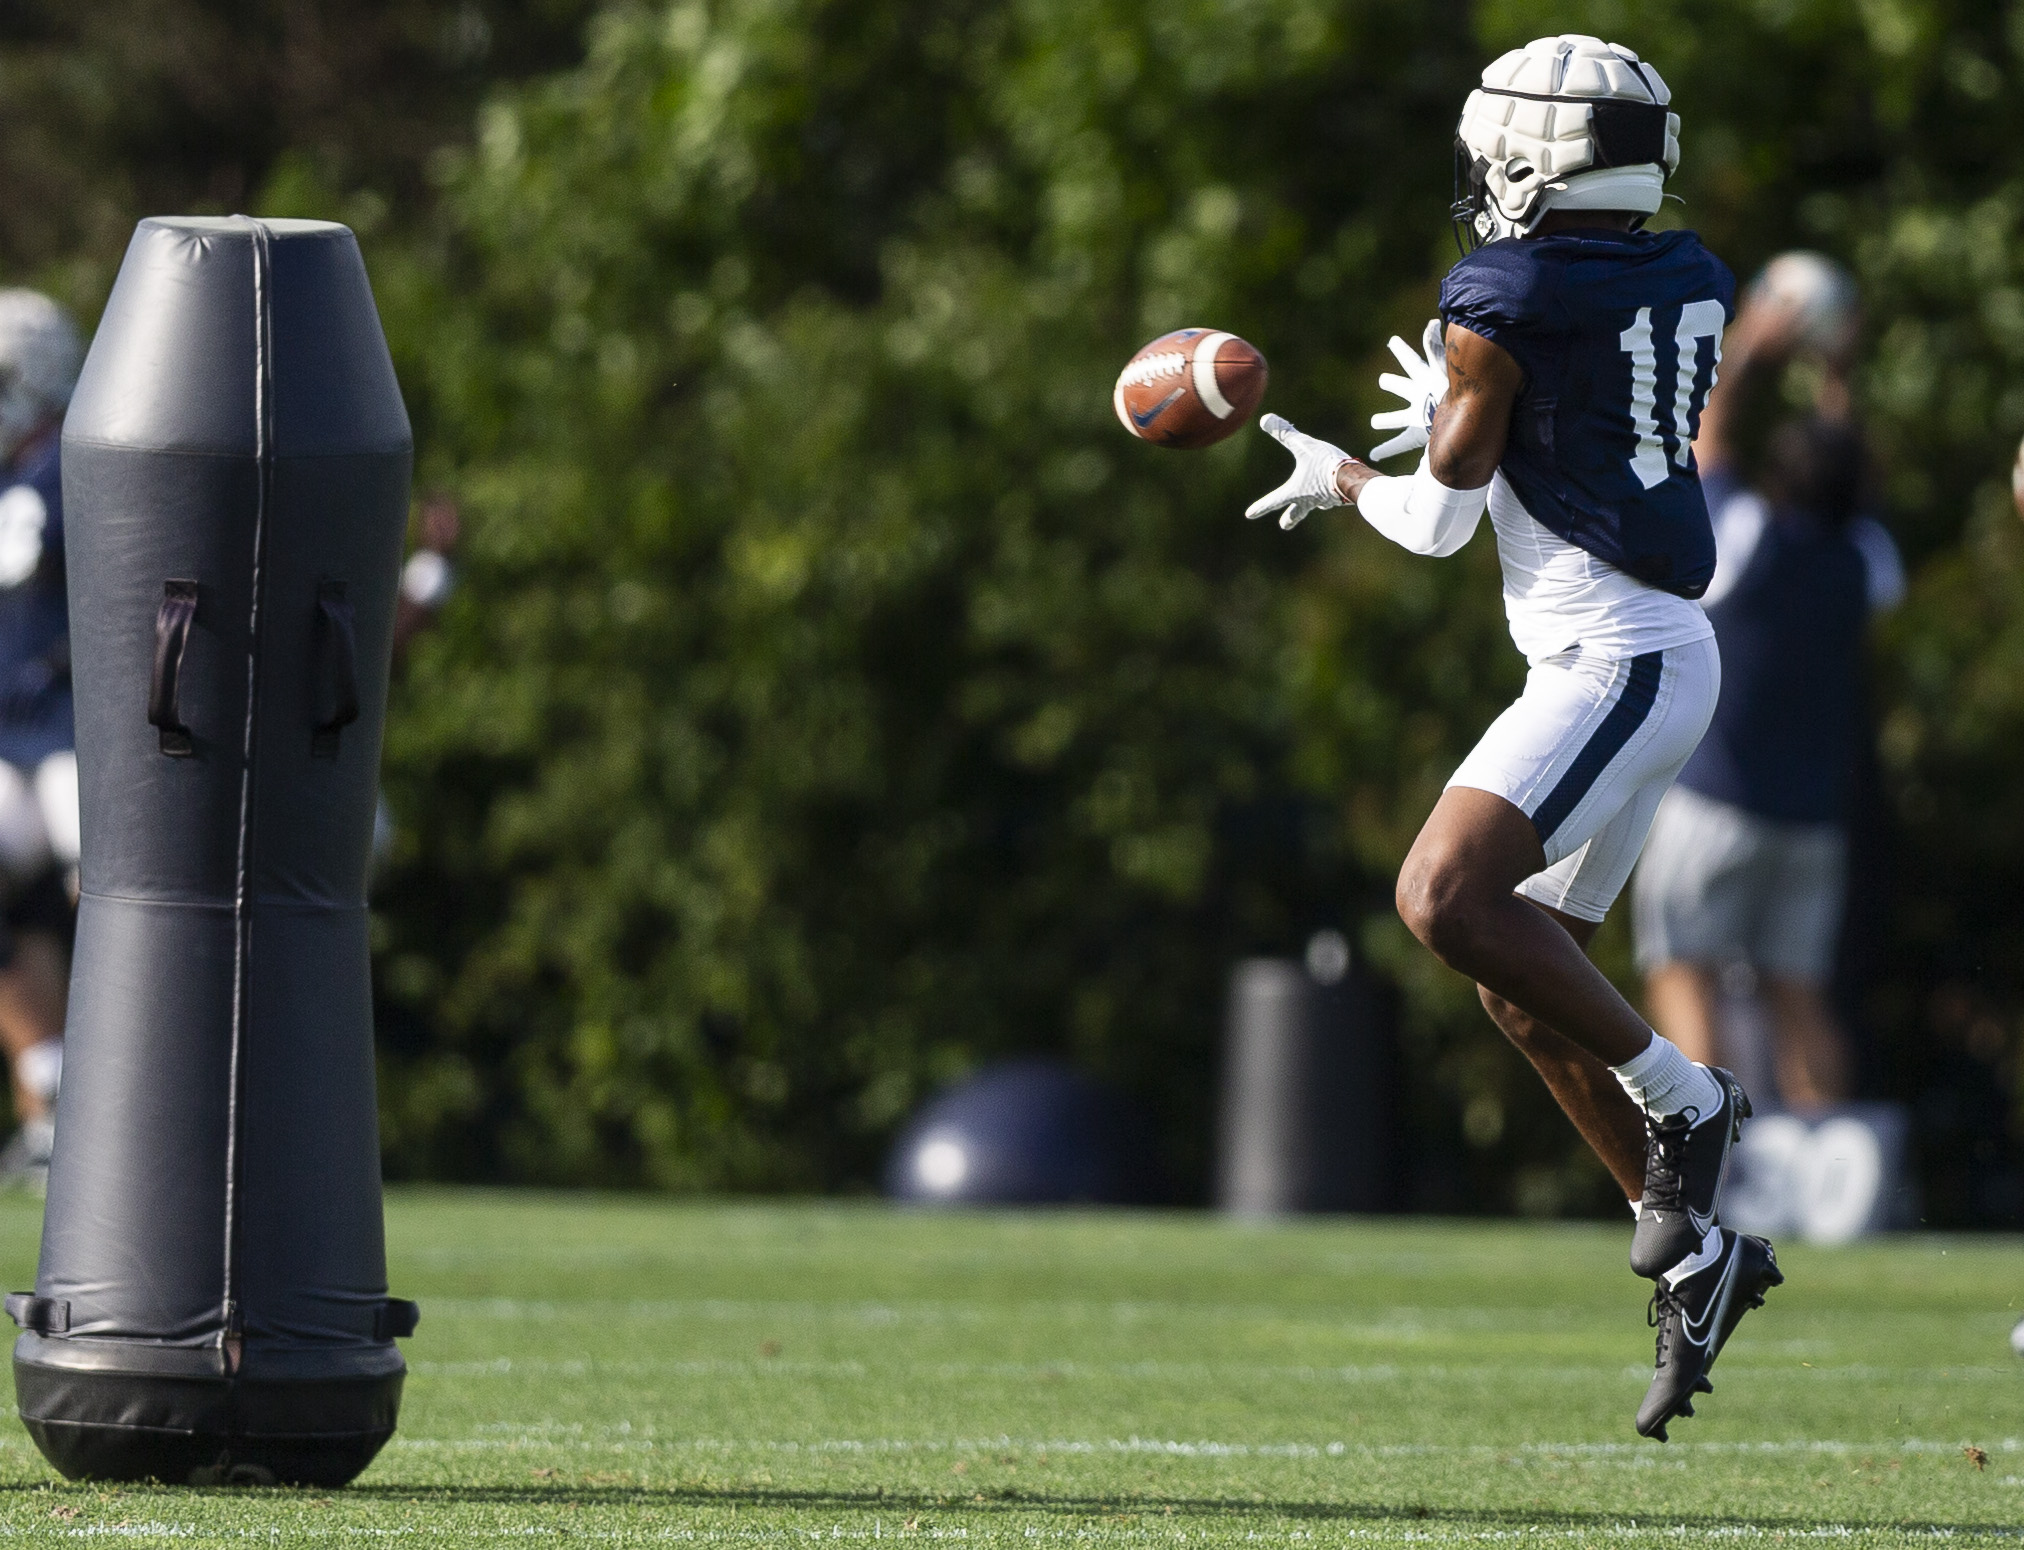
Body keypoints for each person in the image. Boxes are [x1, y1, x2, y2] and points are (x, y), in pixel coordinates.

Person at [1245, 34, 1779, 1440]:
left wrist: (1345, 472)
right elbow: (1562, 433)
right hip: (1657, 654)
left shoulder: (1503, 291)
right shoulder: (1687, 269)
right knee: (1524, 988)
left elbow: (1436, 522)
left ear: (1530, 156)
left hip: (1608, 657)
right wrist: (1461, 411)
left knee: (1441, 895)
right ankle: (1704, 1258)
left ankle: (1688, 1097)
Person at [1632, 261, 1903, 1111]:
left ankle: (1701, 1162)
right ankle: (1837, 1189)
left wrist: (1751, 345)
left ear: (1781, 480)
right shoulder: (1866, 562)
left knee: (1685, 975)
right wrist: (1837, 376)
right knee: (1799, 996)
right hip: (1813, 820)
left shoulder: (1746, 541)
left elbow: (1707, 444)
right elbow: (1851, 480)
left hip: (1714, 807)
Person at [0, 292, 85, 1186]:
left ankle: (146, 1100)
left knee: (123, 899)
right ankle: (46, 1083)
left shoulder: (80, 463)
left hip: (77, 734)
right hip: (8, 739)